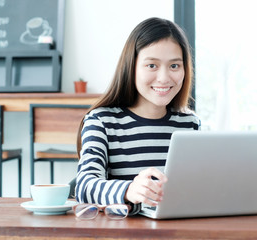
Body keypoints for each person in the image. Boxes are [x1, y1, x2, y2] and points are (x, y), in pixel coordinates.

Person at [75, 17, 200, 215]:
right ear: (131, 66)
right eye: (152, 65)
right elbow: (84, 187)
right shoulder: (101, 121)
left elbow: (197, 187)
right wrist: (128, 190)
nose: (164, 78)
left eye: (174, 66)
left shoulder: (189, 124)